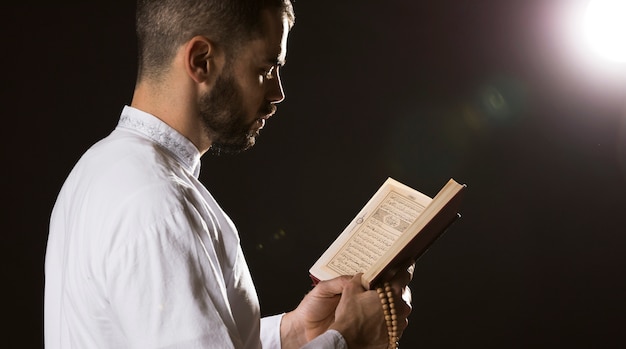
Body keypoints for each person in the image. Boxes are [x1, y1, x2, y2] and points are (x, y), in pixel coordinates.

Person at [44, 0, 414, 348]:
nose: (278, 92)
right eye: (266, 69)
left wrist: (295, 331)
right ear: (202, 61)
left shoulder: (100, 167)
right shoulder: (158, 202)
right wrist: (347, 339)